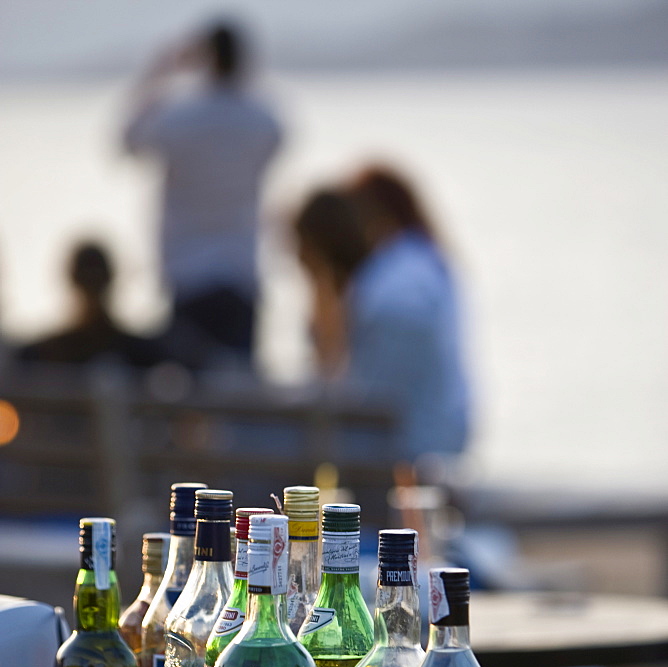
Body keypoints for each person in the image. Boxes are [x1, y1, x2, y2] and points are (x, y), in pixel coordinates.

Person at [122, 21, 283, 370]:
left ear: (205, 59)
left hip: (187, 273)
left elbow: (127, 140)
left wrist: (160, 72)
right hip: (241, 273)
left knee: (189, 400)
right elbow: (279, 135)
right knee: (240, 396)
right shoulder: (261, 119)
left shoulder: (179, 119)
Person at [293, 166, 471, 463]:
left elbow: (364, 399)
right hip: (439, 438)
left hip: (408, 449)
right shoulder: (421, 265)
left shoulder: (390, 290)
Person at [15, 240, 164, 367]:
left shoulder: (144, 354)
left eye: (96, 276)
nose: (92, 283)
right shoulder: (41, 354)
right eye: (87, 276)